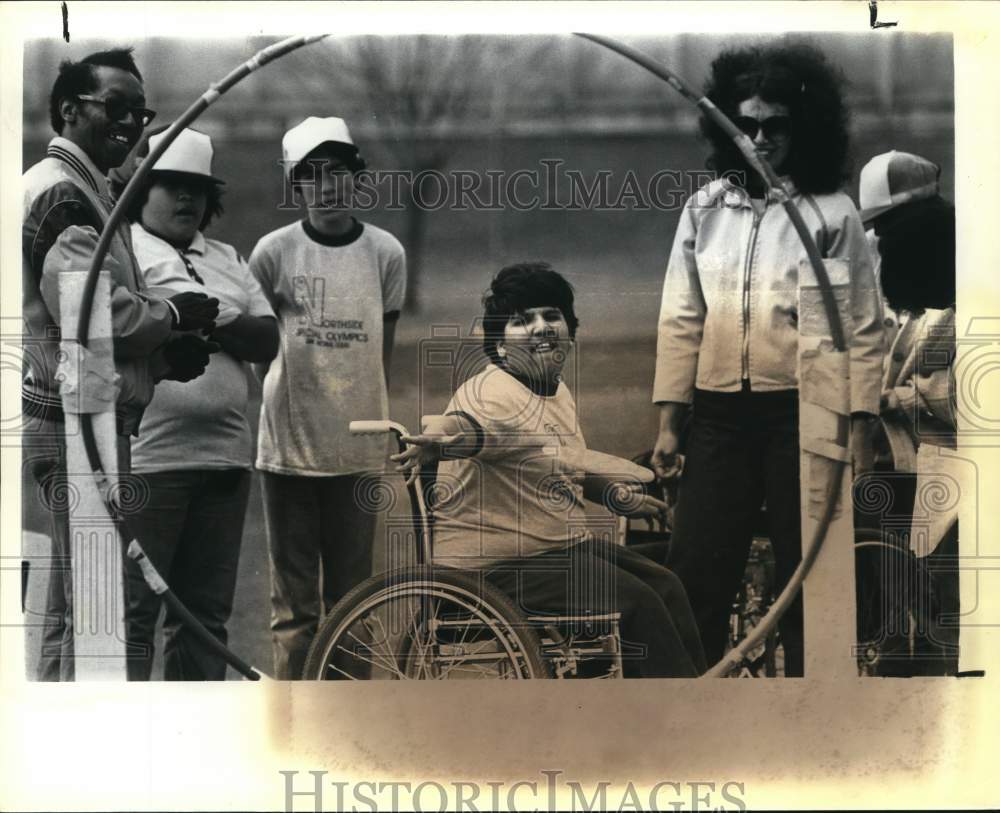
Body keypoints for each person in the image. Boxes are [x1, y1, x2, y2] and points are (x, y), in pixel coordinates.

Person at [650, 42, 885, 676]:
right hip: (720, 421)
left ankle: (819, 723)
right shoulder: (704, 210)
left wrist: (859, 427)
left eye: (775, 124)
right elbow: (681, 317)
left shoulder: (833, 215)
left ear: (803, 127)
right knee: (695, 574)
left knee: (812, 576)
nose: (758, 137)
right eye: (746, 123)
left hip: (803, 422)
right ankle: (687, 719)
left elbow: (860, 328)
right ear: (725, 124)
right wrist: (671, 420)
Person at [393, 263, 707, 678]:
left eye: (552, 316)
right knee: (639, 602)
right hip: (489, 572)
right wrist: (440, 439)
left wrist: (618, 496)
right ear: (500, 344)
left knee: (666, 583)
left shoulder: (553, 388)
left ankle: (692, 697)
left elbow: (561, 465)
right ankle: (673, 722)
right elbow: (468, 428)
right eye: (522, 321)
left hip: (549, 554)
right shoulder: (493, 393)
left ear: (569, 332)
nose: (541, 327)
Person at [22, 48, 220, 681]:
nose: (131, 123)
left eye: (141, 111)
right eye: (116, 107)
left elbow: (85, 333)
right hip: (78, 428)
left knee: (69, 610)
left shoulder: (84, 190)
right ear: (70, 109)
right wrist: (173, 315)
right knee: (96, 611)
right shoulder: (62, 195)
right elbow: (95, 316)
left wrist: (161, 359)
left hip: (85, 419)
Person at [248, 116, 407, 680]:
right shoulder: (272, 252)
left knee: (353, 604)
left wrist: (363, 419)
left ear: (357, 178)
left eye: (340, 172)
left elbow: (377, 357)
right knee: (295, 611)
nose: (329, 186)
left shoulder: (385, 253)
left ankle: (349, 729)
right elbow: (256, 342)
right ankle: (291, 726)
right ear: (297, 186)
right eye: (313, 176)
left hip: (357, 455)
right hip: (289, 454)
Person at [119, 127, 279, 680]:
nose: (187, 199)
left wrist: (201, 314)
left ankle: (198, 744)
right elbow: (130, 331)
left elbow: (266, 340)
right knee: (133, 613)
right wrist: (201, 318)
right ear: (142, 188)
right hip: (151, 462)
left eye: (197, 188)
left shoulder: (228, 257)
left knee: (206, 618)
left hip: (225, 461)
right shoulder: (124, 253)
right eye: (171, 186)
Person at [859, 150, 958, 673]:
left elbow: (970, 400)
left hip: (950, 475)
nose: (877, 240)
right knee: (895, 591)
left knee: (946, 603)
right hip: (899, 469)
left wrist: (899, 397)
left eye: (887, 227)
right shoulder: (899, 291)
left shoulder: (961, 298)